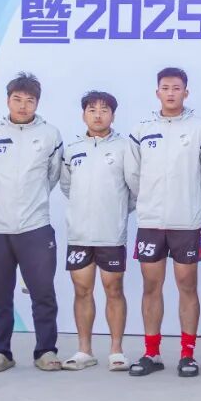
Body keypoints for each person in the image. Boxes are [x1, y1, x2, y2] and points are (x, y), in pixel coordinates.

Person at [128, 67, 201, 378]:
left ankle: (187, 354)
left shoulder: (200, 128)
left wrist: (190, 199)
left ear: (186, 92)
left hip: (186, 224)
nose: (171, 93)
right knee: (151, 286)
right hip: (150, 223)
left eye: (177, 88)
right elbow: (133, 175)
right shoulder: (142, 129)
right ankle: (151, 353)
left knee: (187, 286)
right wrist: (150, 201)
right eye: (165, 88)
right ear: (157, 92)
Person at [0, 72, 64, 373]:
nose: (23, 106)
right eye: (17, 99)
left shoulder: (50, 135)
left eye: (29, 100)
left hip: (36, 227)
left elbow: (52, 176)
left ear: (37, 103)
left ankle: (46, 351)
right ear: (7, 100)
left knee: (43, 293)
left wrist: (31, 201)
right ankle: (0, 352)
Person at [60, 90, 136, 372]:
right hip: (79, 234)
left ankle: (116, 350)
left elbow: (134, 189)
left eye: (104, 110)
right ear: (83, 115)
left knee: (114, 289)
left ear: (113, 115)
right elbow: (67, 186)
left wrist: (116, 211)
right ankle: (84, 350)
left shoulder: (125, 147)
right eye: (92, 110)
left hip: (111, 234)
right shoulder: (72, 149)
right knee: (82, 290)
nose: (98, 115)